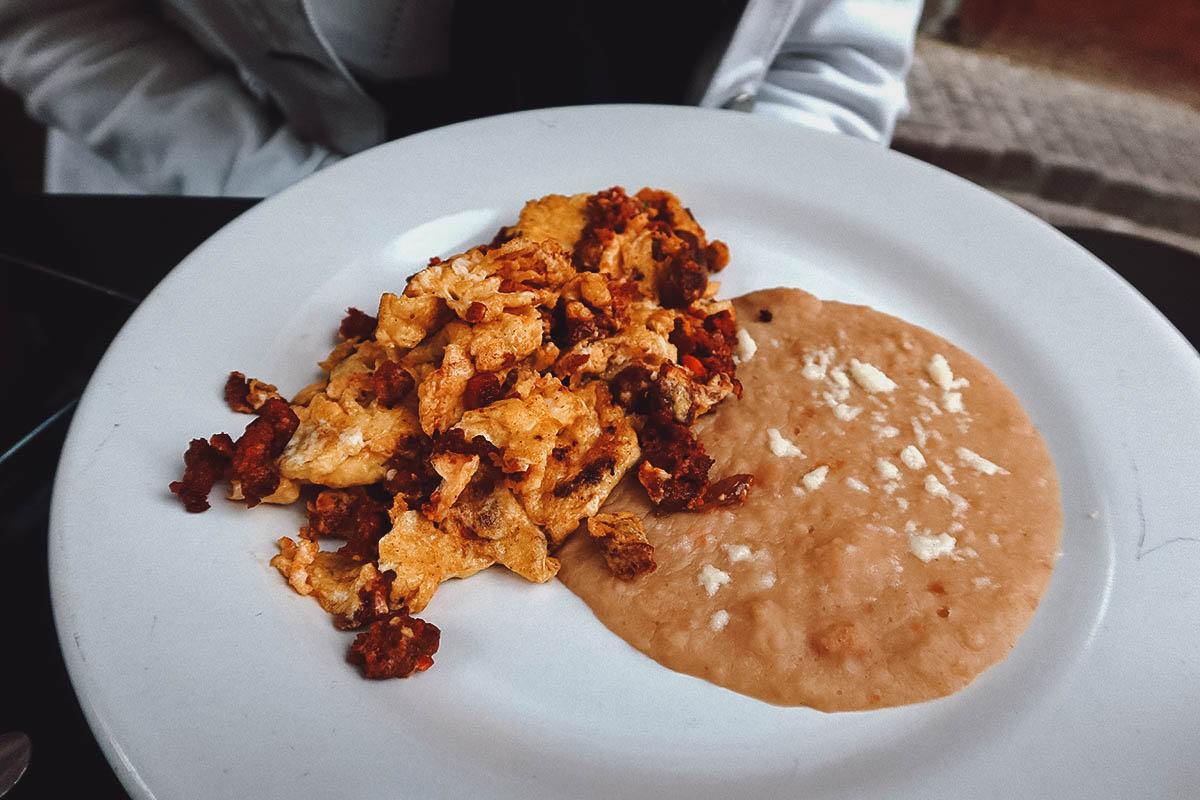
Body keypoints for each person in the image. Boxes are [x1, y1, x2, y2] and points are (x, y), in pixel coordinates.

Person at [0, 0, 921, 196]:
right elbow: (55, 15)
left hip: (676, 205)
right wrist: (291, 193)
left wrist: (739, 222)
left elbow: (828, 65)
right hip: (233, 182)